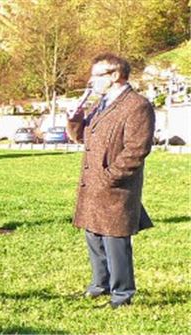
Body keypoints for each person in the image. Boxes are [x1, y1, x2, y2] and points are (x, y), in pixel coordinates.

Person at [66, 53, 155, 309]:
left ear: (115, 75)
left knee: (115, 241)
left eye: (97, 75)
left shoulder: (136, 105)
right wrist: (75, 117)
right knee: (94, 236)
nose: (92, 80)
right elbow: (81, 136)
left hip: (115, 187)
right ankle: (99, 285)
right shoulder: (103, 104)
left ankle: (122, 295)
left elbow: (137, 149)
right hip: (93, 185)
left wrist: (109, 177)